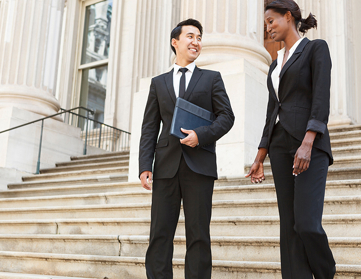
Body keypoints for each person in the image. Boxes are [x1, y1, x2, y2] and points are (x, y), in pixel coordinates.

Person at [246, 0, 336, 278]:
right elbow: (272, 109)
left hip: (309, 144)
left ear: (288, 17)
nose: (268, 28)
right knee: (289, 225)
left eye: (271, 21)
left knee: (307, 223)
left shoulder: (315, 49)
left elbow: (321, 96)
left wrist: (309, 141)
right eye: (265, 24)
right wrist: (261, 155)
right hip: (279, 145)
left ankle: (325, 272)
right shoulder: (274, 64)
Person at [139, 18, 234, 279]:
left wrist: (200, 135)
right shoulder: (158, 83)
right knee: (159, 234)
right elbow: (149, 127)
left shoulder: (211, 79)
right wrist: (145, 166)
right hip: (166, 166)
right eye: (190, 36)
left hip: (199, 166)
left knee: (199, 235)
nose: (196, 42)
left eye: (199, 37)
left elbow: (227, 117)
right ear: (175, 42)